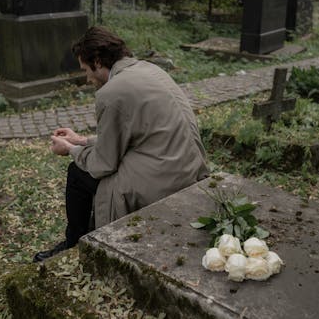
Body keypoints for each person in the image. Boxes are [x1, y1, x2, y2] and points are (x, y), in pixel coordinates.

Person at [33, 27, 209, 262]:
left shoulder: (111, 92)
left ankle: (74, 244)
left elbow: (103, 164)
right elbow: (137, 134)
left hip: (163, 182)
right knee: (86, 163)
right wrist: (82, 140)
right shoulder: (148, 69)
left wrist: (70, 150)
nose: (87, 78)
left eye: (86, 70)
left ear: (97, 61)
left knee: (77, 172)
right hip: (187, 169)